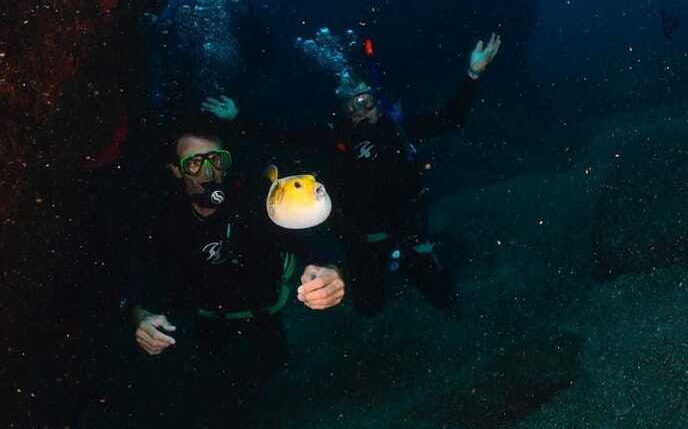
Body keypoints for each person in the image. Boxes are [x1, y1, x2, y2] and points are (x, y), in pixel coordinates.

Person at [202, 33, 501, 317]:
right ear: (343, 107)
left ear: (376, 100)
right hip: (360, 242)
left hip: (408, 232)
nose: (362, 111)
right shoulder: (333, 138)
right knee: (369, 308)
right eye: (353, 104)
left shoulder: (398, 130)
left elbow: (451, 118)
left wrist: (472, 75)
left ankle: (428, 276)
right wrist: (238, 119)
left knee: (444, 296)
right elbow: (280, 137)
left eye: (366, 102)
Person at [129, 112, 344, 427]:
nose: (208, 171)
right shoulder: (164, 220)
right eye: (194, 163)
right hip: (205, 326)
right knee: (214, 397)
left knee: (268, 372)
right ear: (176, 171)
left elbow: (309, 239)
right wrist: (142, 320)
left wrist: (330, 270)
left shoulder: (255, 204)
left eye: (216, 160)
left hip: (264, 317)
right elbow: (142, 283)